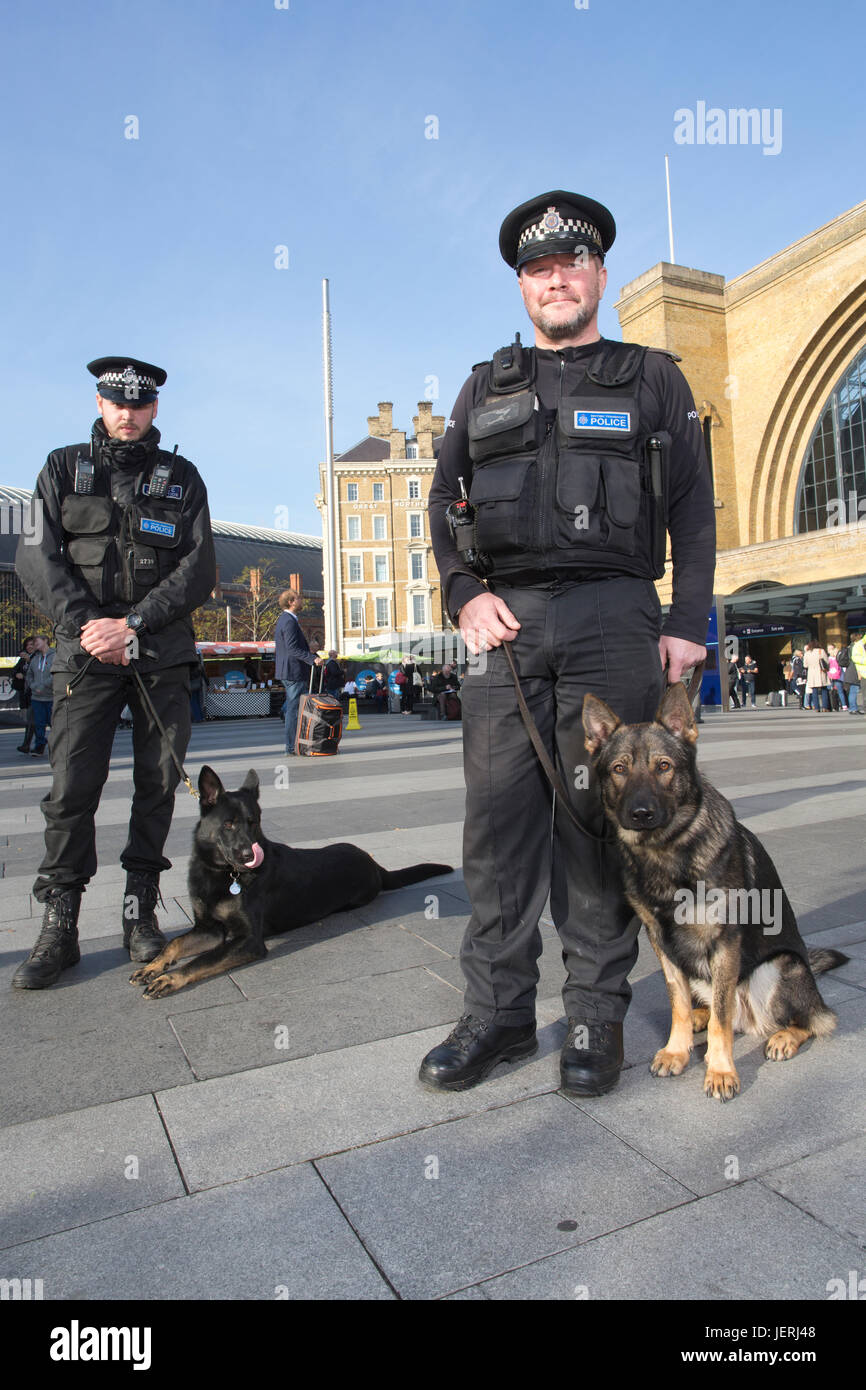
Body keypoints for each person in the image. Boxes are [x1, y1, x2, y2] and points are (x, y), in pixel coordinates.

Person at [423, 189, 715, 1096]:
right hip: (505, 627)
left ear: (598, 274)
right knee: (498, 828)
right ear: (523, 287)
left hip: (613, 618)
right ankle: (500, 1016)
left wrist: (686, 624)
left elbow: (695, 513)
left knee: (599, 824)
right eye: (538, 269)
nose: (557, 279)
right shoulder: (485, 386)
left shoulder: (653, 379)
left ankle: (594, 1014)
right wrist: (463, 592)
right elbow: (444, 502)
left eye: (572, 263)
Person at [13, 356, 216, 989]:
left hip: (158, 654)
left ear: (155, 409)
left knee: (157, 786)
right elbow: (35, 555)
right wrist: (90, 629)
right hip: (84, 658)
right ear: (101, 405)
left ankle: (139, 916)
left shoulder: (183, 478)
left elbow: (199, 568)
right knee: (72, 790)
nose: (128, 413)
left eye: (140, 404)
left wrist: (135, 625)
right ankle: (61, 928)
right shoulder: (58, 467)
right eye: (116, 402)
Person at [274, 589, 321, 751]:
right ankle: (291, 746)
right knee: (294, 711)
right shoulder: (288, 621)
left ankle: (293, 744)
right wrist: (312, 658)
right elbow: (292, 648)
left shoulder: (287, 619)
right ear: (291, 602)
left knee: (293, 708)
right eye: (298, 598)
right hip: (293, 671)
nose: (301, 600)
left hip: (289, 670)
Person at [24, 634, 55, 755]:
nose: (34, 643)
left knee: (54, 723)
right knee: (38, 723)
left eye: (37, 641)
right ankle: (39, 745)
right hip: (37, 697)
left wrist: (43, 685)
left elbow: (56, 674)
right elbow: (29, 674)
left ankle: (57, 746)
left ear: (45, 640)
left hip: (51, 696)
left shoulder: (55, 656)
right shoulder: (35, 658)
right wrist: (33, 686)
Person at [12, 635, 36, 753]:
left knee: (33, 720)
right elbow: (15, 670)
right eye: (27, 645)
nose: (29, 647)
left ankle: (30, 744)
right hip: (25, 693)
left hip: (36, 693)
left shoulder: (37, 657)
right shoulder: (23, 659)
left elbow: (39, 673)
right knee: (32, 720)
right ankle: (39, 742)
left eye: (32, 644)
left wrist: (29, 661)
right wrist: (17, 674)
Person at [803, 640, 830, 712]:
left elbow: (805, 665)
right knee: (824, 690)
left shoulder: (807, 653)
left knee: (814, 691)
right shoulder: (821, 651)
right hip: (821, 672)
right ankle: (825, 707)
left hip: (812, 673)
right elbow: (827, 661)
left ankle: (817, 708)